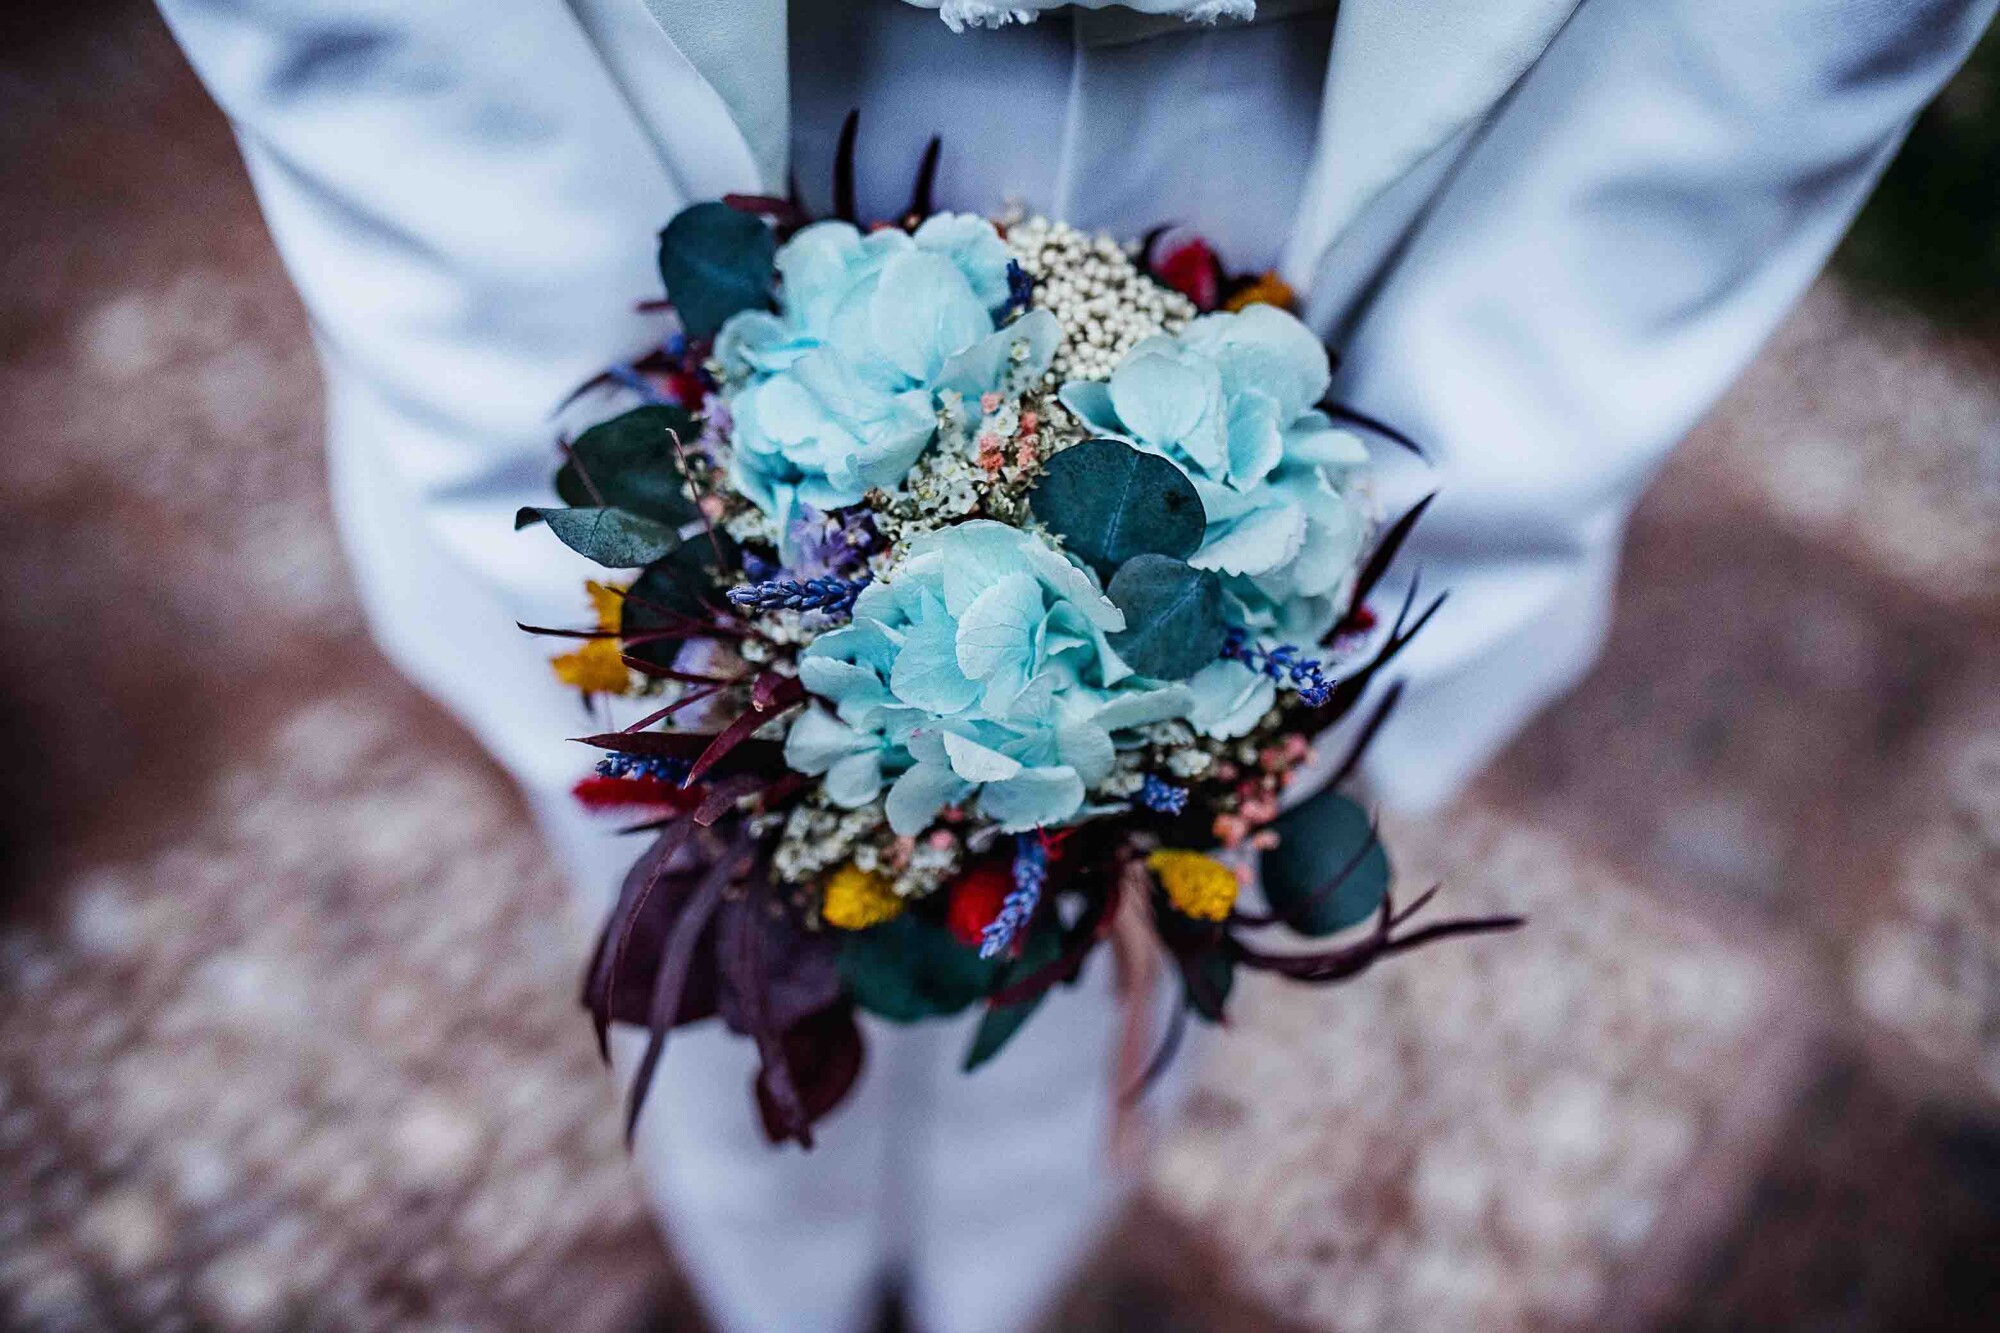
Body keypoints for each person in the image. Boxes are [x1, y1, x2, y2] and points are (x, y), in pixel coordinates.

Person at [154, 2, 1996, 1330]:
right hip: (668, 137)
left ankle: (997, 1288)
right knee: (705, 932)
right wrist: (610, 551)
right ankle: (777, 1289)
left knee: (1140, 965)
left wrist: (1381, 577)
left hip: (1341, 187)